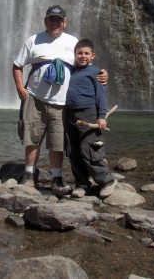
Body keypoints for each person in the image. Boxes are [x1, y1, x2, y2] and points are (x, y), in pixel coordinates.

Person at [13, 5, 107, 197]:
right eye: (51, 19)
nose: (54, 23)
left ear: (65, 22)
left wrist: (103, 73)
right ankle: (29, 177)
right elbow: (17, 65)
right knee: (32, 139)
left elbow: (84, 64)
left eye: (58, 20)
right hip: (35, 98)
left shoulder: (73, 43)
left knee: (57, 143)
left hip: (62, 103)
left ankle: (56, 179)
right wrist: (21, 89)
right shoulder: (33, 40)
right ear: (45, 20)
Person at [64, 38, 117, 199]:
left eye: (86, 53)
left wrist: (101, 116)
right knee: (73, 151)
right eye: (79, 53)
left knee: (90, 150)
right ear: (74, 54)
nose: (83, 56)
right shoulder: (70, 71)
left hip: (89, 114)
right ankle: (82, 184)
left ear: (92, 56)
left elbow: (101, 96)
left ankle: (106, 181)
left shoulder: (96, 73)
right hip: (70, 114)